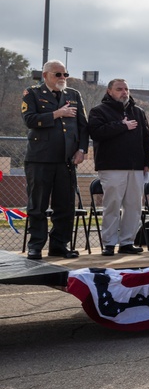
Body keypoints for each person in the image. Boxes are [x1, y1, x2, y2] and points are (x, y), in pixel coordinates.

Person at [21, 60, 88, 260]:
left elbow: (83, 126)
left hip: (66, 159)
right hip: (40, 159)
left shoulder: (73, 95)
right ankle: (36, 245)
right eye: (57, 74)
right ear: (45, 75)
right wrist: (57, 114)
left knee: (65, 205)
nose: (62, 78)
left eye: (65, 74)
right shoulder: (32, 93)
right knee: (38, 205)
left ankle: (59, 245)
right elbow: (29, 120)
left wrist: (81, 150)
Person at [87, 78, 149, 256]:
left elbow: (146, 139)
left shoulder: (138, 112)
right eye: (119, 89)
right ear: (109, 91)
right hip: (112, 167)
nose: (124, 92)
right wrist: (122, 125)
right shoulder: (98, 111)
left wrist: (146, 162)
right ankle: (109, 243)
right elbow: (96, 133)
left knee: (134, 206)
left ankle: (127, 242)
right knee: (112, 205)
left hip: (136, 167)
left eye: (126, 89)